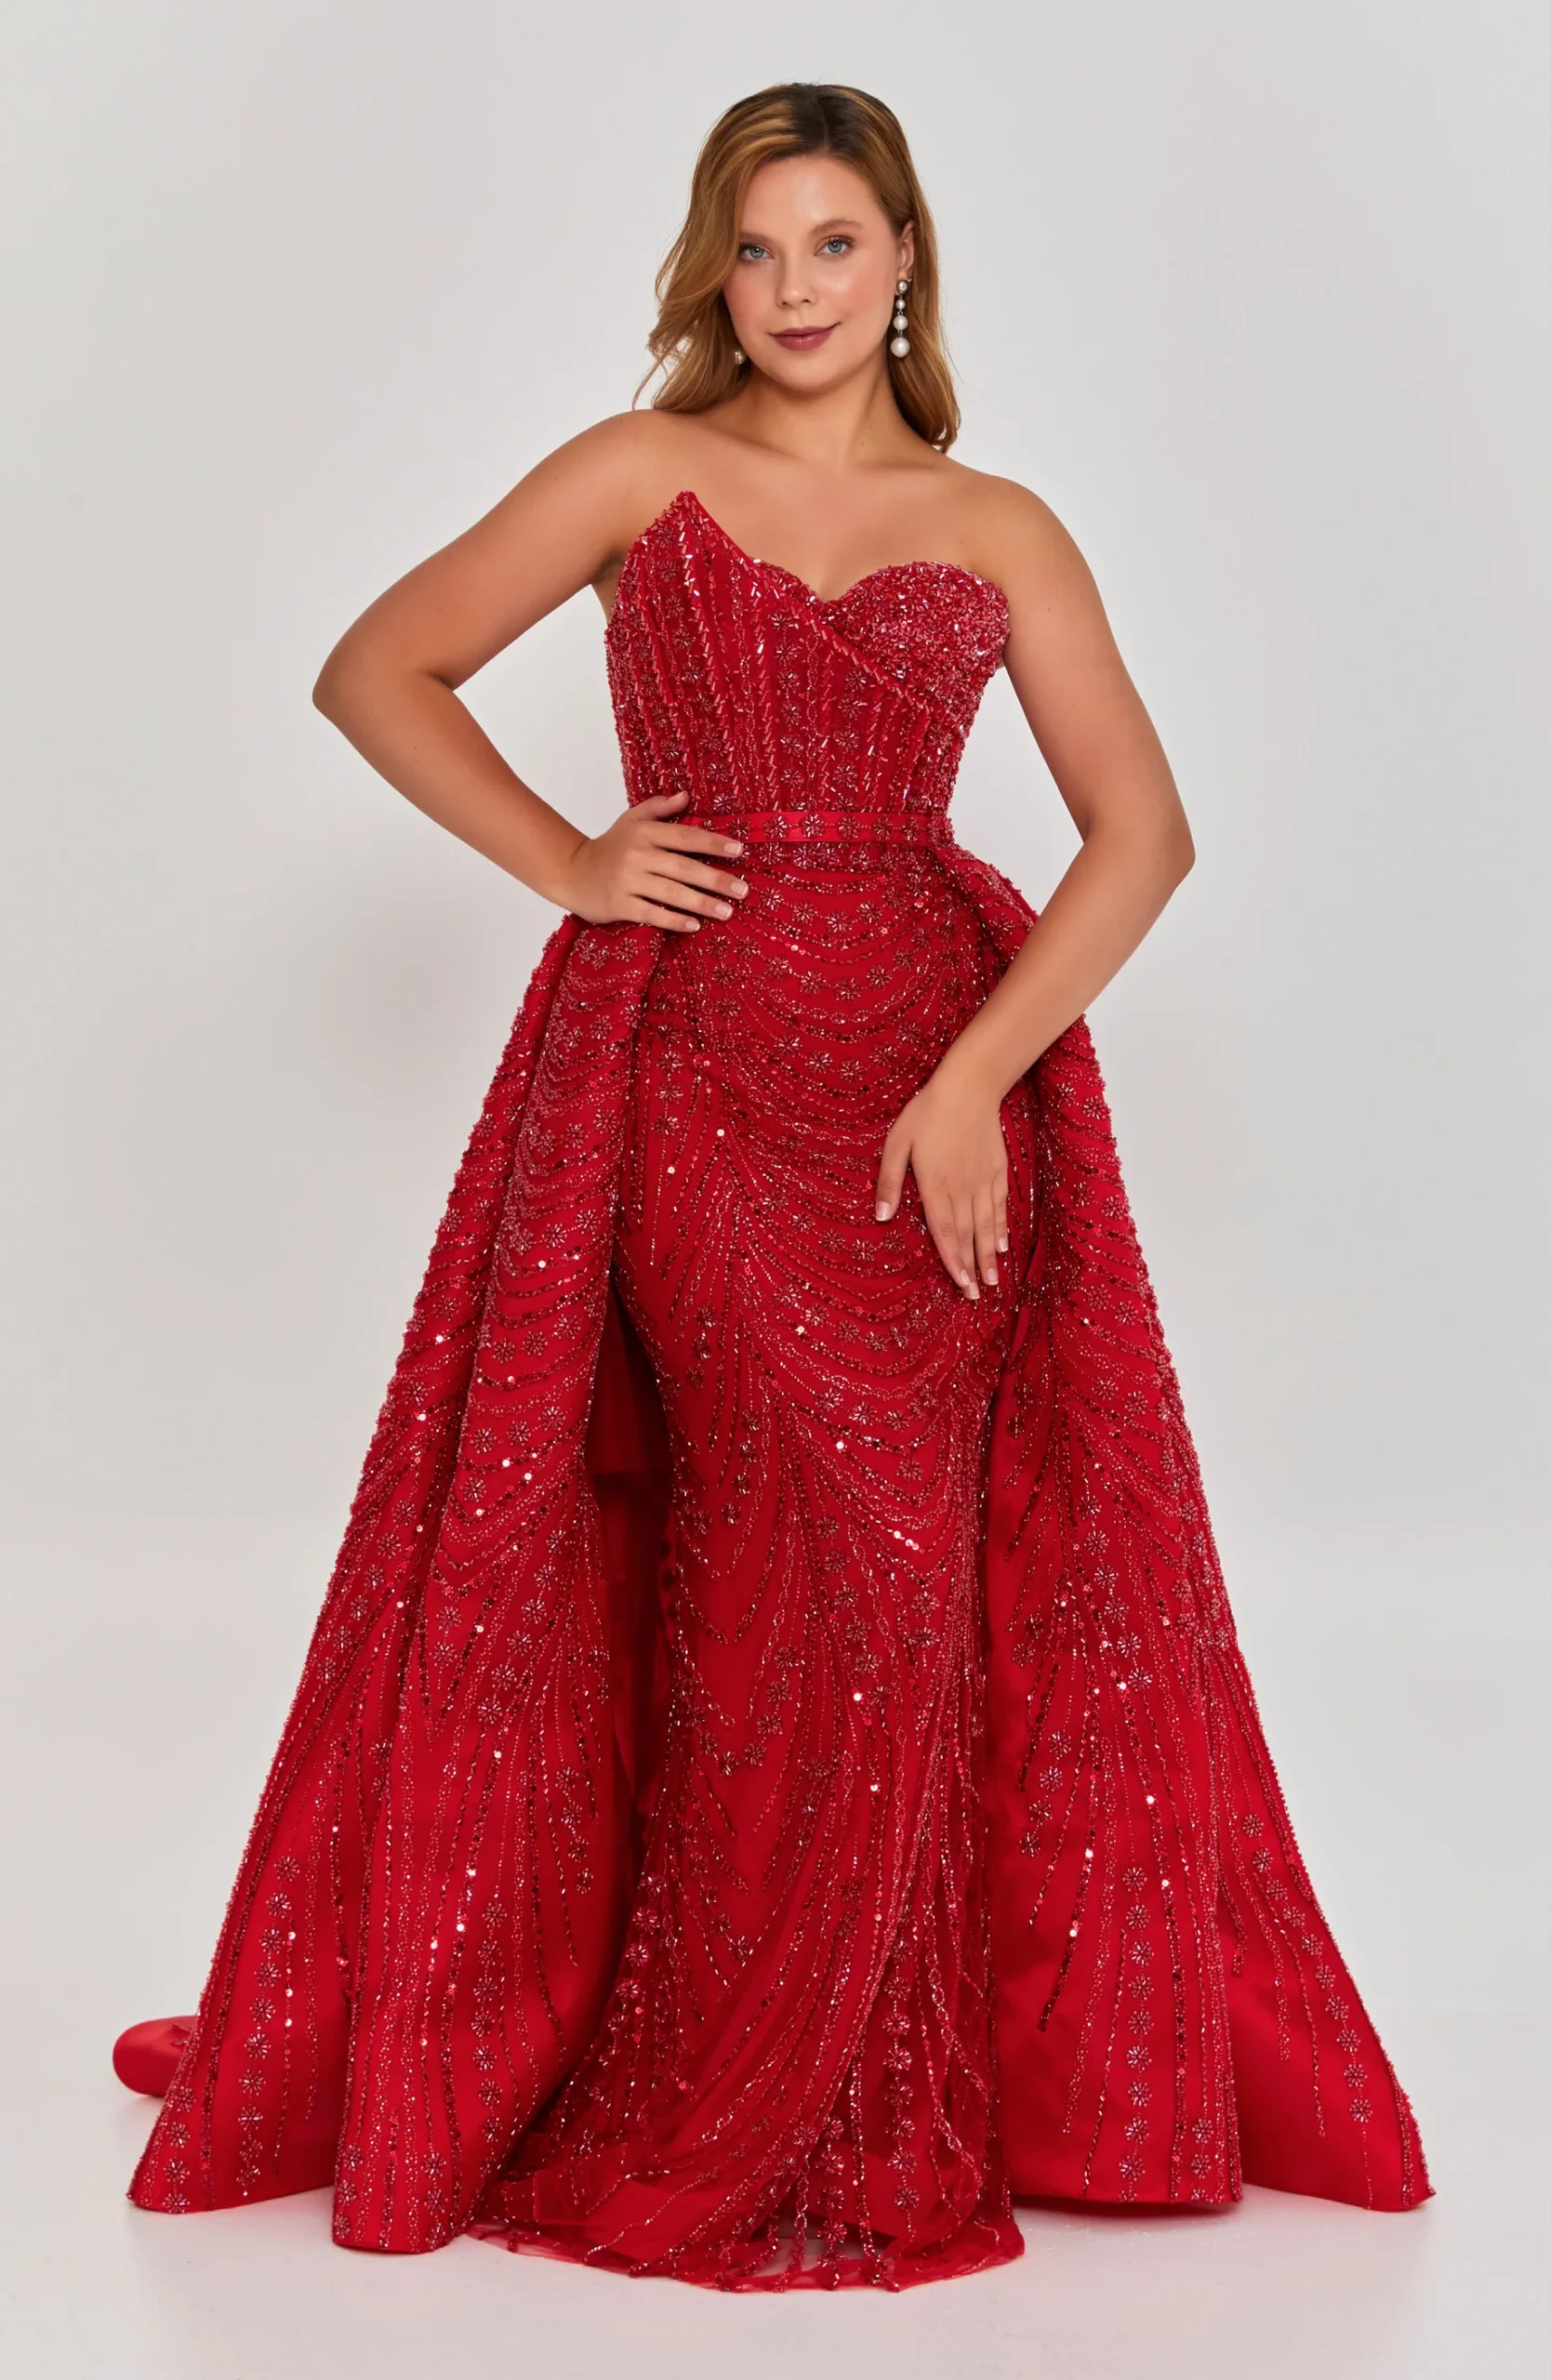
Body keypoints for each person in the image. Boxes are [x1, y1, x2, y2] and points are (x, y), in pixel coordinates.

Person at [114, 81, 1430, 2289]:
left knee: (903, 1585)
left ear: (903, 258)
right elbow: (375, 668)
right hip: (692, 1087)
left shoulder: (997, 522)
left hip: (928, 1104)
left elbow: (1143, 836)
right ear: (713, 273)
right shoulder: (641, 470)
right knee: (784, 1536)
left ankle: (873, 2062)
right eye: (757, 247)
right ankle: (742, 2067)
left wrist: (974, 1078)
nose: (796, 287)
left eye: (834, 242)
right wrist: (572, 857)